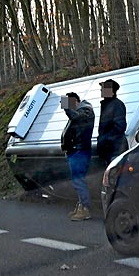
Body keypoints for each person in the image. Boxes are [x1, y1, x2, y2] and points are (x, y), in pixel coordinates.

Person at [61, 92, 94, 221]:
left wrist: (66, 108)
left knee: (78, 181)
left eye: (69, 103)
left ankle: (85, 208)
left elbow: (76, 118)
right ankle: (81, 206)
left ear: (75, 101)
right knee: (77, 181)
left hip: (79, 151)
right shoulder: (82, 111)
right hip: (75, 150)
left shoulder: (85, 110)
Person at [97, 79, 128, 167]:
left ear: (111, 91)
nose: (101, 90)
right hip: (110, 150)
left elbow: (120, 126)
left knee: (117, 177)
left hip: (115, 150)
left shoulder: (116, 105)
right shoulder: (107, 104)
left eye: (103, 88)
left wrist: (104, 139)